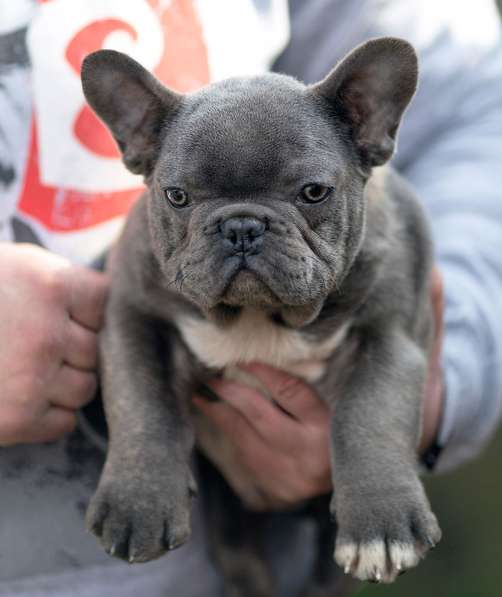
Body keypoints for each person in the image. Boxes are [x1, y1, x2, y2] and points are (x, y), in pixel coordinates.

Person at [0, 0, 501, 596]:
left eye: (311, 193)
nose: (243, 234)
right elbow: (135, 321)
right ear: (137, 140)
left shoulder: (384, 244)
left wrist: (440, 386)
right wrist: (145, 454)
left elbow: (477, 101)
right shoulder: (146, 259)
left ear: (369, 127)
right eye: (184, 199)